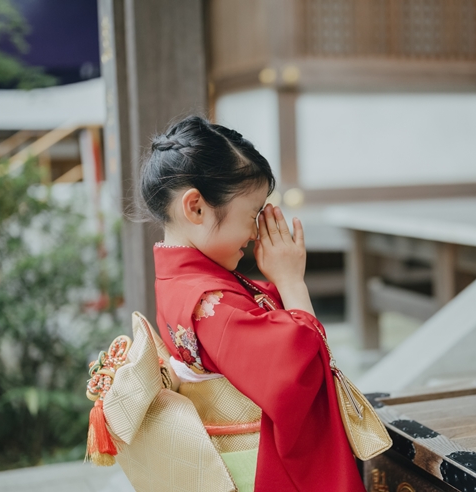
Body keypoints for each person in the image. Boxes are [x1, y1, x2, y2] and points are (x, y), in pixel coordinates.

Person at [139, 115, 365, 492]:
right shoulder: (208, 300)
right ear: (196, 207)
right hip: (251, 474)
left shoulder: (182, 281)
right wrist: (292, 281)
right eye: (253, 214)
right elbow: (300, 368)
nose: (257, 229)